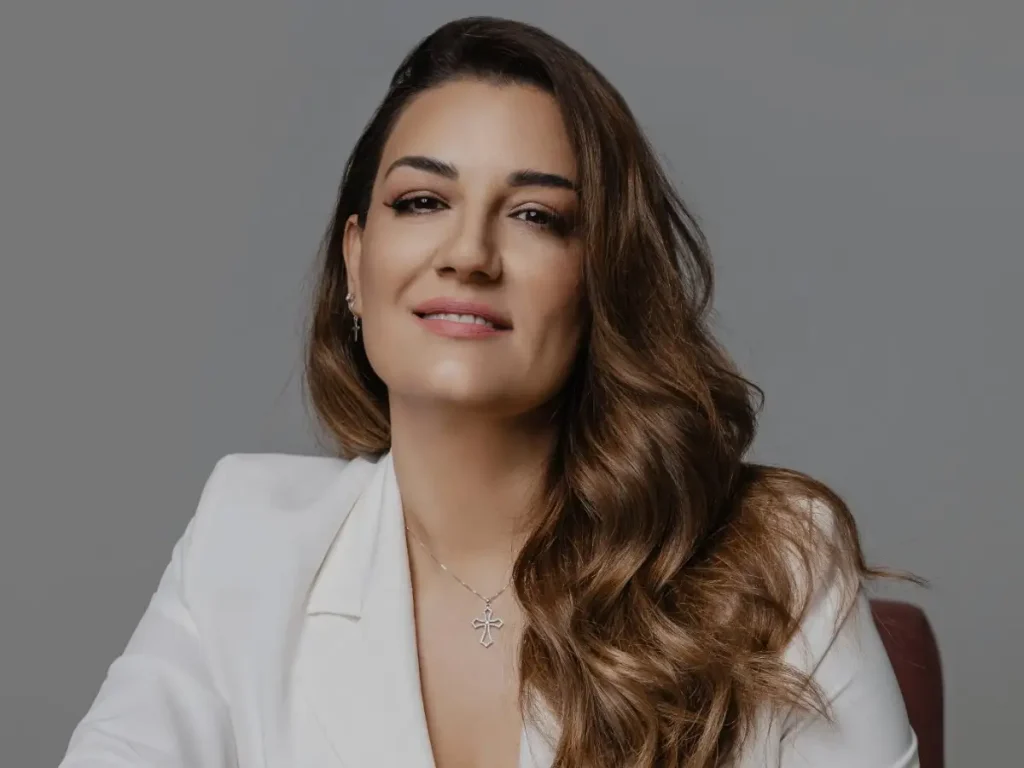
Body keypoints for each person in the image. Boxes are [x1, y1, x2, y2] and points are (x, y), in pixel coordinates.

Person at [59, 16, 919, 768]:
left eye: (537, 216)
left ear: (601, 281)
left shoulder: (777, 560)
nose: (469, 253)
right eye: (422, 201)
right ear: (356, 262)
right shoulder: (246, 539)